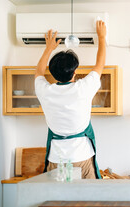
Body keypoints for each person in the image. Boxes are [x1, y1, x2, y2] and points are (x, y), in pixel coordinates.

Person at [34, 20, 107, 179]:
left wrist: (48, 48)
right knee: (88, 200)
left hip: (56, 159)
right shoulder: (83, 88)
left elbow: (38, 72)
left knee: (59, 202)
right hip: (82, 157)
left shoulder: (45, 90)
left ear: (52, 74)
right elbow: (100, 64)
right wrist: (101, 37)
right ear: (75, 72)